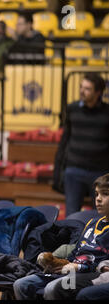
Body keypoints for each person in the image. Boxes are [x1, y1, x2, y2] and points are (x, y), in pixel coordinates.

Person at [13, 173, 109, 300]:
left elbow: (104, 266)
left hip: (90, 273)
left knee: (52, 288)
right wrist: (59, 264)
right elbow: (77, 251)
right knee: (21, 284)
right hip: (70, 269)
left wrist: (78, 267)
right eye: (96, 194)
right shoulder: (92, 223)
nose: (98, 199)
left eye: (105, 194)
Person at [53, 73, 109, 216]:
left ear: (98, 93)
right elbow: (65, 140)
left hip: (99, 172)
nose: (82, 91)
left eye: (87, 89)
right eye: (81, 87)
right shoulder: (72, 109)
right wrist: (58, 169)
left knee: (102, 216)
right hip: (74, 171)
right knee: (71, 216)